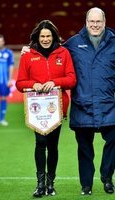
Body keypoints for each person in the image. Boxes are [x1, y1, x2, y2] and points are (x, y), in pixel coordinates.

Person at [16, 20, 76, 197]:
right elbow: (20, 83)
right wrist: (34, 84)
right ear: (37, 37)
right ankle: (40, 184)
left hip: (56, 107)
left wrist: (54, 82)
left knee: (53, 145)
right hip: (36, 109)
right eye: (42, 36)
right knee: (40, 143)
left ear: (54, 36)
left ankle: (51, 183)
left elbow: (71, 79)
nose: (45, 39)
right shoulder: (28, 55)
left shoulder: (63, 53)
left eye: (48, 36)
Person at [64, 7, 115, 195]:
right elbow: (54, 55)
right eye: (91, 21)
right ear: (86, 22)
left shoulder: (114, 42)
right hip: (82, 105)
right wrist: (32, 49)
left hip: (109, 104)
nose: (95, 25)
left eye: (98, 22)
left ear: (104, 22)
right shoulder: (72, 43)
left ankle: (107, 176)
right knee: (84, 148)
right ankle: (86, 185)